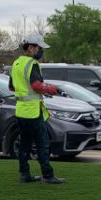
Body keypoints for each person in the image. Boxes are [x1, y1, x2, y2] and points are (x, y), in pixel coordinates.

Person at [8, 35, 66, 184]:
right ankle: (47, 175)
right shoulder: (32, 64)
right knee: (43, 143)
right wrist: (52, 89)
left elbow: (11, 87)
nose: (41, 52)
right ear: (30, 48)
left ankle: (25, 174)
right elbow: (37, 86)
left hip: (21, 111)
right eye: (39, 48)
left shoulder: (16, 63)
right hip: (33, 111)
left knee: (24, 144)